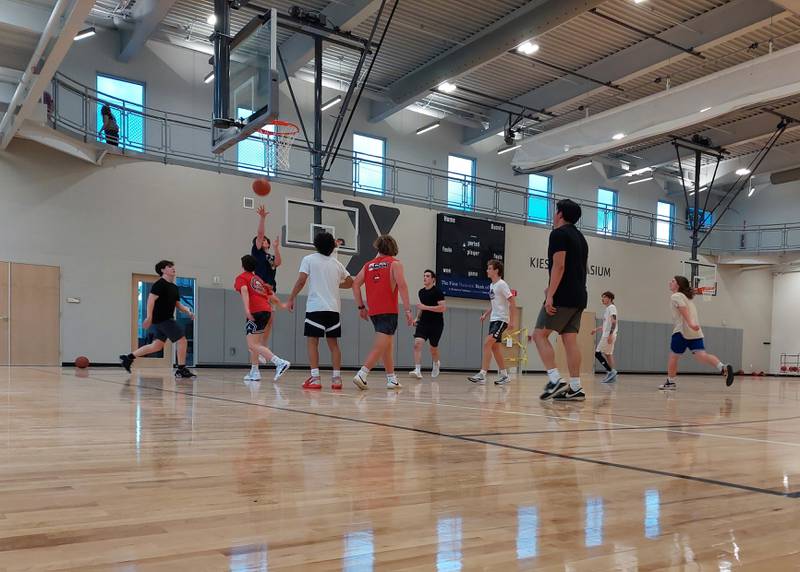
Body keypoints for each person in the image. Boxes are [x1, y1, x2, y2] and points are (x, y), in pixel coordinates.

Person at [533, 199, 589, 401]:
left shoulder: (558, 234)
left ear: (560, 214)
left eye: (555, 210)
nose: (553, 213)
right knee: (569, 339)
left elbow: (560, 266)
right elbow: (576, 269)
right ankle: (576, 387)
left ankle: (555, 379)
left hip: (562, 296)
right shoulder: (581, 238)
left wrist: (550, 295)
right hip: (579, 296)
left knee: (539, 335)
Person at [287, 231, 353, 390]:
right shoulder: (337, 264)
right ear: (332, 246)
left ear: (316, 245)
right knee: (334, 344)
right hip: (333, 310)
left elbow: (301, 281)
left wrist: (291, 298)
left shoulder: (308, 259)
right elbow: (351, 282)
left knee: (312, 342)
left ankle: (315, 378)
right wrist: (336, 284)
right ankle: (337, 379)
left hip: (315, 308)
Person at [351, 235, 413, 390]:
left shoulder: (368, 265)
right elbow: (403, 286)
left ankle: (391, 378)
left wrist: (361, 307)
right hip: (388, 311)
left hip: (374, 312)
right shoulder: (395, 264)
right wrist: (407, 310)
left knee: (387, 345)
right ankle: (362, 374)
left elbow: (355, 285)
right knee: (380, 346)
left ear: (378, 248)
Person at [120, 260, 195, 378]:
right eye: (169, 267)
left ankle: (128, 358)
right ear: (163, 270)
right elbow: (150, 300)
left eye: (173, 266)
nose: (173, 268)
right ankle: (181, 369)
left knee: (156, 346)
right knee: (182, 340)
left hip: (164, 320)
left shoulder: (174, 287)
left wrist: (187, 311)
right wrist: (149, 317)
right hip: (163, 319)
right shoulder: (159, 284)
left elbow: (177, 304)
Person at [659, 276, 734, 390]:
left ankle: (670, 382)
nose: (670, 282)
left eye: (673, 281)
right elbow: (692, 293)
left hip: (682, 331)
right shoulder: (687, 297)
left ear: (678, 285)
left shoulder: (676, 296)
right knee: (702, 356)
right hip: (695, 333)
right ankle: (722, 367)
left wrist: (690, 323)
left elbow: (683, 310)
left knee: (674, 357)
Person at [235, 254, 291, 382]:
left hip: (256, 312)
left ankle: (279, 362)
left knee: (252, 344)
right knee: (256, 344)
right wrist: (282, 305)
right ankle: (254, 372)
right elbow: (271, 295)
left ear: (243, 266)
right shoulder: (258, 280)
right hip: (267, 311)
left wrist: (247, 310)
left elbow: (244, 290)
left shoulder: (241, 278)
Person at [468, 259, 516, 386]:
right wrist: (486, 314)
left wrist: (512, 321)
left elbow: (512, 302)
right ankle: (505, 376)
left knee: (487, 343)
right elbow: (494, 304)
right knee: (495, 348)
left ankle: (482, 374)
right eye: (487, 268)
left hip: (501, 320)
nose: (487, 270)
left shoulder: (502, 284)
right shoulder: (492, 286)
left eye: (489, 268)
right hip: (493, 319)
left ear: (496, 270)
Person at [250, 205, 282, 361]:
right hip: (260, 290)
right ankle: (258, 348)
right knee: (263, 321)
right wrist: (262, 218)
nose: (263, 241)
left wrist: (276, 248)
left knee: (270, 321)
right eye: (261, 240)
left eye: (266, 241)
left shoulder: (270, 258)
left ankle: (263, 347)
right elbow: (260, 233)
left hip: (271, 290)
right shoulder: (257, 252)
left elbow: (279, 262)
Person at [409, 269, 446, 379]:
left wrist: (426, 307)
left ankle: (436, 363)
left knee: (433, 348)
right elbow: (421, 307)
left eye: (428, 276)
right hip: (423, 323)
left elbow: (442, 308)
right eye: (424, 276)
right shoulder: (421, 292)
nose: (425, 278)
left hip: (436, 324)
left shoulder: (438, 292)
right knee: (417, 344)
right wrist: (417, 318)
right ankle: (417, 370)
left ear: (433, 279)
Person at [591, 291, 618, 383]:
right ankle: (612, 375)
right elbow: (607, 324)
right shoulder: (608, 309)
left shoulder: (611, 307)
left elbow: (614, 322)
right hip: (608, 334)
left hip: (608, 336)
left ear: (609, 298)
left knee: (597, 353)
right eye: (602, 297)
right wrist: (596, 329)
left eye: (604, 297)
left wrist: (610, 334)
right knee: (608, 354)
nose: (602, 299)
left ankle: (610, 371)